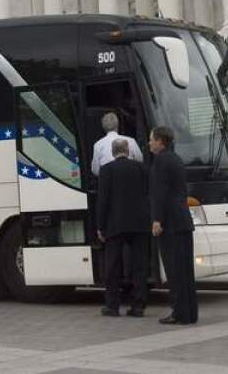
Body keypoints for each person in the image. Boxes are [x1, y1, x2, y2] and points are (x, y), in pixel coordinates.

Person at [149, 125, 196, 325]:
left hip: (170, 222)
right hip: (183, 219)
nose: (149, 143)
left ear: (160, 141)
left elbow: (159, 192)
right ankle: (190, 312)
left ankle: (178, 312)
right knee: (186, 270)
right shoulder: (176, 158)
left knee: (174, 270)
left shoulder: (160, 160)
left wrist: (157, 219)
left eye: (151, 139)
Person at [97, 138, 149, 317]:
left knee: (112, 266)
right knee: (139, 266)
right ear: (128, 151)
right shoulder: (142, 168)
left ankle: (112, 305)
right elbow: (148, 194)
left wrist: (100, 226)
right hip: (140, 223)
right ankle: (138, 305)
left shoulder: (106, 170)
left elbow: (102, 201)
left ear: (113, 152)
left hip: (115, 224)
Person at [91, 112, 142, 177]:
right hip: (130, 178)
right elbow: (140, 161)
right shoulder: (131, 141)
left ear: (103, 127)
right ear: (118, 124)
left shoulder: (97, 145)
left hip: (109, 181)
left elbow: (95, 170)